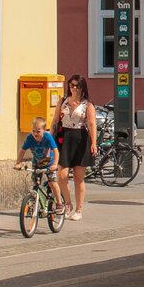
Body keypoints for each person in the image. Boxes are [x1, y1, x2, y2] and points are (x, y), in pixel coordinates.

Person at [51, 74, 97, 221]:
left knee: (78, 177)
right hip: (64, 138)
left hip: (81, 139)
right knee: (62, 175)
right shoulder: (63, 101)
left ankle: (79, 209)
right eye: (72, 85)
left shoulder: (87, 105)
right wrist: (50, 139)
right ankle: (67, 203)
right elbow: (55, 121)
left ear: (83, 87)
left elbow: (92, 124)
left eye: (77, 86)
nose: (74, 88)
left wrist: (94, 142)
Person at [13, 116, 63, 211]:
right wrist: (18, 163)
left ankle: (59, 203)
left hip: (49, 163)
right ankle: (35, 203)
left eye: (38, 131)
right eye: (34, 131)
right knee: (35, 183)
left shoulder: (48, 137)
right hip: (37, 163)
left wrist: (55, 165)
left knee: (52, 182)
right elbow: (22, 151)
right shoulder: (29, 138)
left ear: (44, 130)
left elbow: (56, 151)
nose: (35, 133)